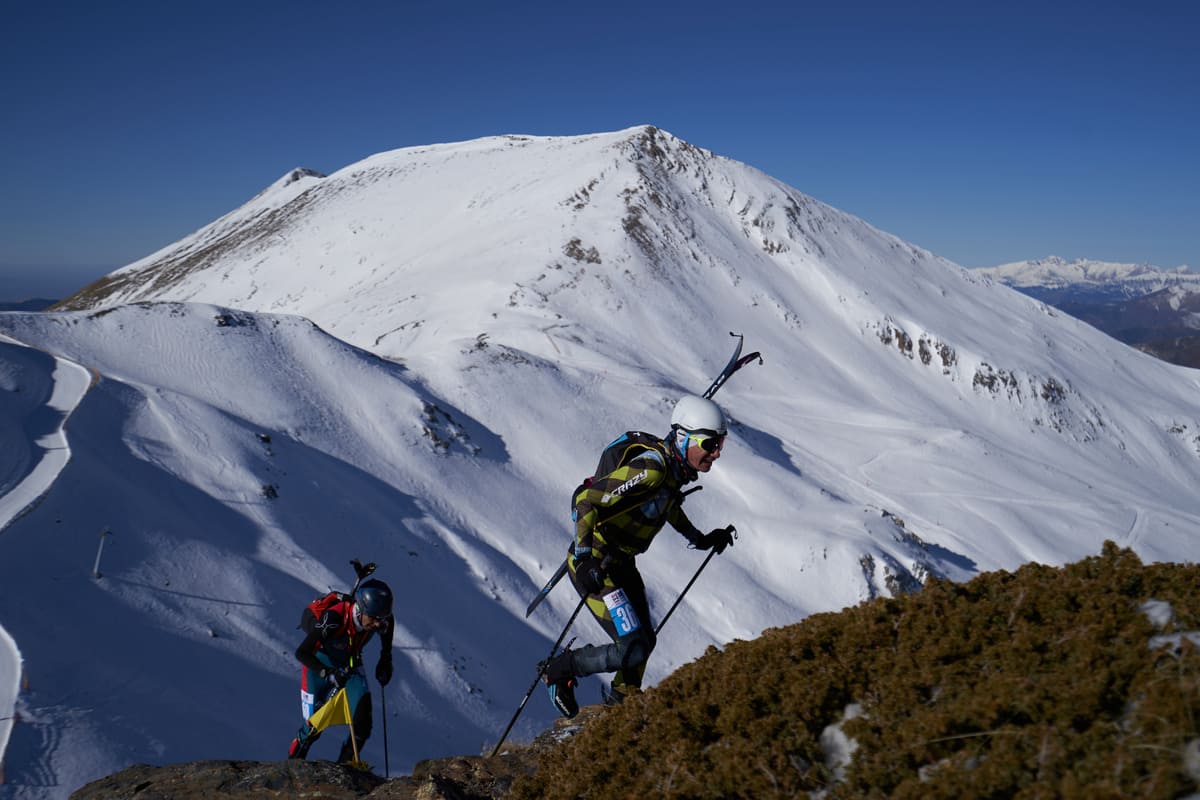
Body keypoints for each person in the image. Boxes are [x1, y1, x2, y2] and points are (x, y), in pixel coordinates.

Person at [543, 395, 736, 717]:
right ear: (685, 437)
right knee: (633, 646)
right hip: (596, 564)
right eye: (711, 443)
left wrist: (700, 539)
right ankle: (560, 670)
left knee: (644, 642)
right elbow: (588, 501)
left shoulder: (674, 473)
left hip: (621, 564)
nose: (716, 453)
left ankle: (620, 711)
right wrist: (585, 555)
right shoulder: (651, 470)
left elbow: (668, 507)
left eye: (720, 444)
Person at [288, 578, 395, 761]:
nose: (378, 624)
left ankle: (345, 771)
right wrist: (328, 675)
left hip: (350, 665)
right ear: (360, 609)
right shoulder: (334, 618)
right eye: (374, 618)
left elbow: (388, 624)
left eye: (381, 619)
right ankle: (293, 768)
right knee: (313, 728)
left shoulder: (381, 618)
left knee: (363, 724)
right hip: (318, 666)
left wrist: (385, 658)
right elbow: (302, 652)